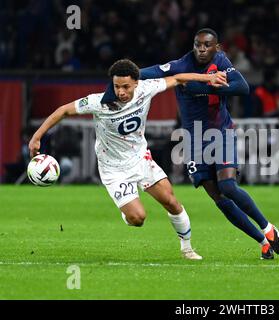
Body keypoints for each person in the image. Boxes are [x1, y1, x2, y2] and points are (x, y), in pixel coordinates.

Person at [102, 28, 279, 260]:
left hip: (221, 133)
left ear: (216, 47)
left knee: (228, 186)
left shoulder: (221, 61)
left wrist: (203, 87)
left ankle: (268, 229)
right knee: (219, 198)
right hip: (193, 141)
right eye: (198, 44)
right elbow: (141, 74)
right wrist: (111, 89)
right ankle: (263, 243)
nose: (201, 49)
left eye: (207, 45)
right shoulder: (180, 66)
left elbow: (243, 87)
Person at [28, 58, 228, 260]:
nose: (121, 91)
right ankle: (127, 211)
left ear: (136, 83)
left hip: (140, 159)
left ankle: (187, 249)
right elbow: (63, 110)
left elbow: (177, 78)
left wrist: (208, 77)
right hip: (113, 168)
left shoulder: (146, 88)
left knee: (172, 202)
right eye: (116, 86)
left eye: (125, 86)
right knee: (138, 218)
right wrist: (37, 137)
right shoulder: (98, 102)